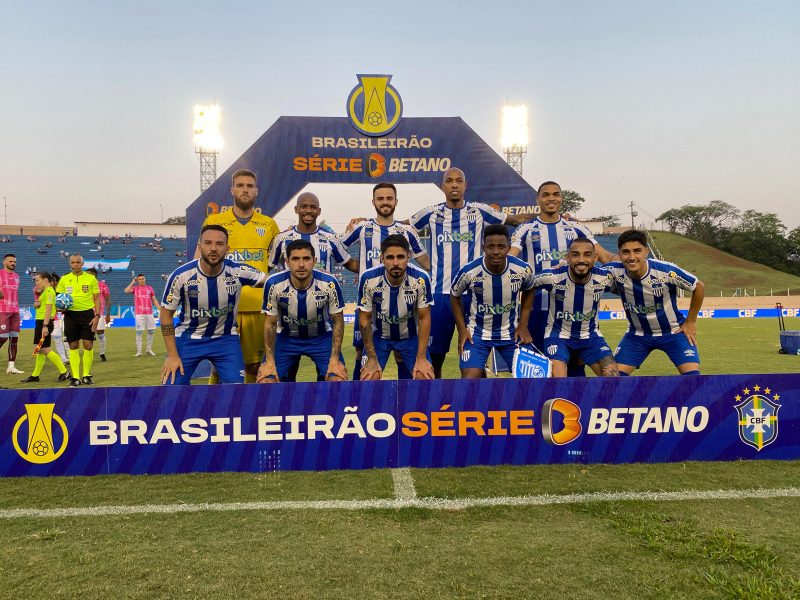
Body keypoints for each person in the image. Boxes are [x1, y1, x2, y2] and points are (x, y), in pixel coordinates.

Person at [408, 168, 533, 378]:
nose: (454, 184)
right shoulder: (430, 213)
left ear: (466, 185)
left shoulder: (479, 211)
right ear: (443, 186)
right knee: (435, 356)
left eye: (459, 181)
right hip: (441, 295)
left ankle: (476, 400)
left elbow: (514, 220)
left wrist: (550, 216)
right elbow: (402, 227)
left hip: (476, 294)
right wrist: (421, 256)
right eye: (449, 181)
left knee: (477, 352)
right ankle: (433, 399)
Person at [509, 181, 616, 376]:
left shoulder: (576, 228)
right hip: (535, 310)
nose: (551, 198)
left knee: (576, 367)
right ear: (538, 199)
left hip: (571, 313)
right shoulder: (526, 229)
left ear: (561, 198)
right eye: (546, 194)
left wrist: (634, 262)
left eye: (556, 194)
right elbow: (510, 260)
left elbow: (605, 257)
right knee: (536, 370)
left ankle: (574, 405)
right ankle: (540, 405)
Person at [342, 182, 431, 380]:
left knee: (403, 354)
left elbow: (425, 262)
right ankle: (360, 398)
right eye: (380, 198)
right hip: (369, 302)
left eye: (389, 198)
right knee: (360, 351)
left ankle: (405, 400)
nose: (385, 202)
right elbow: (337, 246)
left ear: (396, 202)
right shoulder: (362, 228)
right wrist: (354, 266)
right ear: (373, 202)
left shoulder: (406, 231)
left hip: (402, 300)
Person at [199, 169, 279, 383]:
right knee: (219, 365)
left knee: (253, 364)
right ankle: (215, 410)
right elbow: (200, 260)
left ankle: (249, 412)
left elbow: (275, 262)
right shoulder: (215, 221)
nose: (245, 189)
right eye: (241, 185)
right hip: (222, 305)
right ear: (232, 190)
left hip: (256, 305)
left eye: (250, 186)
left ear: (256, 191)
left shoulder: (269, 225)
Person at [160, 224, 267, 385]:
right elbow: (166, 315)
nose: (213, 248)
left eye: (219, 244)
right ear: (200, 245)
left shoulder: (237, 271)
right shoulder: (181, 276)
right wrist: (172, 355)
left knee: (236, 391)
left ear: (227, 248)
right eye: (208, 243)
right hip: (188, 339)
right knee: (171, 389)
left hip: (225, 340)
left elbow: (273, 282)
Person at [606, 230, 705, 375]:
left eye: (637, 251)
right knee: (613, 379)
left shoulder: (666, 271)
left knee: (692, 379)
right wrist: (563, 265)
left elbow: (699, 287)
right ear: (619, 254)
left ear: (646, 251)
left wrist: (690, 322)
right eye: (626, 252)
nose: (632, 257)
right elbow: (586, 274)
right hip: (637, 335)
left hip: (673, 332)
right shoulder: (614, 271)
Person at [450, 224, 535, 379]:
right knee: (469, 380)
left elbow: (530, 289)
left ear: (509, 248)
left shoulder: (523, 269)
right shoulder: (469, 271)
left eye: (501, 246)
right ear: (484, 247)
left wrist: (523, 325)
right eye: (491, 247)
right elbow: (454, 295)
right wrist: (462, 330)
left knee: (530, 379)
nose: (496, 251)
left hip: (511, 334)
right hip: (477, 335)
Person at [257, 240, 348, 383]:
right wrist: (269, 361)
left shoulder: (329, 283)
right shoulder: (274, 283)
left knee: (337, 379)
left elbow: (338, 321)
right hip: (286, 339)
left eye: (306, 259)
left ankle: (326, 405)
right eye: (295, 259)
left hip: (321, 338)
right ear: (287, 261)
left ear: (314, 261)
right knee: (266, 381)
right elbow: (270, 324)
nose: (301, 264)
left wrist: (335, 358)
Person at [531, 238, 619, 377]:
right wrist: (521, 323)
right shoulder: (553, 276)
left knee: (613, 377)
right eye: (575, 254)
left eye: (587, 254)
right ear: (567, 257)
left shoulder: (605, 277)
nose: (581, 259)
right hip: (558, 336)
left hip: (591, 337)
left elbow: (626, 286)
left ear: (595, 257)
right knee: (559, 382)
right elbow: (527, 285)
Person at [358, 235, 435, 381]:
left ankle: (415, 404)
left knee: (424, 377)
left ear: (409, 256)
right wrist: (372, 359)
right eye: (390, 257)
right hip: (379, 337)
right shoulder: (368, 279)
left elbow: (424, 318)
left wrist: (421, 357)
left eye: (400, 257)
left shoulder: (421, 278)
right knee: (369, 378)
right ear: (382, 258)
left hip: (410, 337)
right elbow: (364, 320)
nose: (395, 263)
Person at [268, 192, 359, 274]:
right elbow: (267, 267)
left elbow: (350, 263)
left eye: (313, 207)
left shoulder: (330, 238)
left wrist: (373, 270)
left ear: (319, 211)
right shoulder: (281, 238)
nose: (308, 210)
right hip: (291, 292)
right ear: (296, 209)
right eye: (303, 206)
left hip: (323, 292)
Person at [56, 253, 101, 386]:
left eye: (78, 262)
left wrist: (97, 316)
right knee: (73, 346)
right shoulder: (64, 279)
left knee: (88, 345)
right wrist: (58, 307)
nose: (75, 264)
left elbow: (97, 298)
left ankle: (86, 374)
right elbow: (58, 297)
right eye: (73, 262)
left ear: (82, 264)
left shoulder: (91, 279)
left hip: (87, 314)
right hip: (70, 315)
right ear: (70, 264)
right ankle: (75, 377)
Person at [21, 272, 70, 383]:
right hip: (42, 322)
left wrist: (45, 326)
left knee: (44, 349)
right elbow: (42, 305)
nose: (36, 282)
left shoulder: (49, 292)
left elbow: (48, 310)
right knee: (39, 349)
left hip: (44, 322)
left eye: (38, 280)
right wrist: (36, 304)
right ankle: (35, 375)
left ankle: (64, 372)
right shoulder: (47, 292)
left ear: (46, 280)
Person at [124, 273, 159, 356]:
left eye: (143, 279)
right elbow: (126, 291)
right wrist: (133, 282)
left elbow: (154, 299)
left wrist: (159, 308)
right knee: (139, 332)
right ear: (137, 280)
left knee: (151, 331)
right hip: (139, 313)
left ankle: (149, 349)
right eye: (139, 279)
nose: (141, 280)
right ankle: (139, 351)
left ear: (145, 279)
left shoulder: (150, 288)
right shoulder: (135, 288)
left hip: (149, 313)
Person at [0, 253, 24, 374]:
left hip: (15, 311)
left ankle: (11, 366)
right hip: (2, 311)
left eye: (14, 261)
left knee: (14, 339)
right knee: (3, 338)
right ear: (4, 262)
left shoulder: (16, 276)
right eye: (10, 261)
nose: (13, 263)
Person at [86, 268, 111, 361]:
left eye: (89, 274)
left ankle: (102, 353)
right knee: (88, 335)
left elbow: (108, 299)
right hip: (86, 313)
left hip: (99, 313)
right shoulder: (85, 285)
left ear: (94, 275)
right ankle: (89, 355)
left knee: (100, 333)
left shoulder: (102, 285)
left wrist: (108, 314)